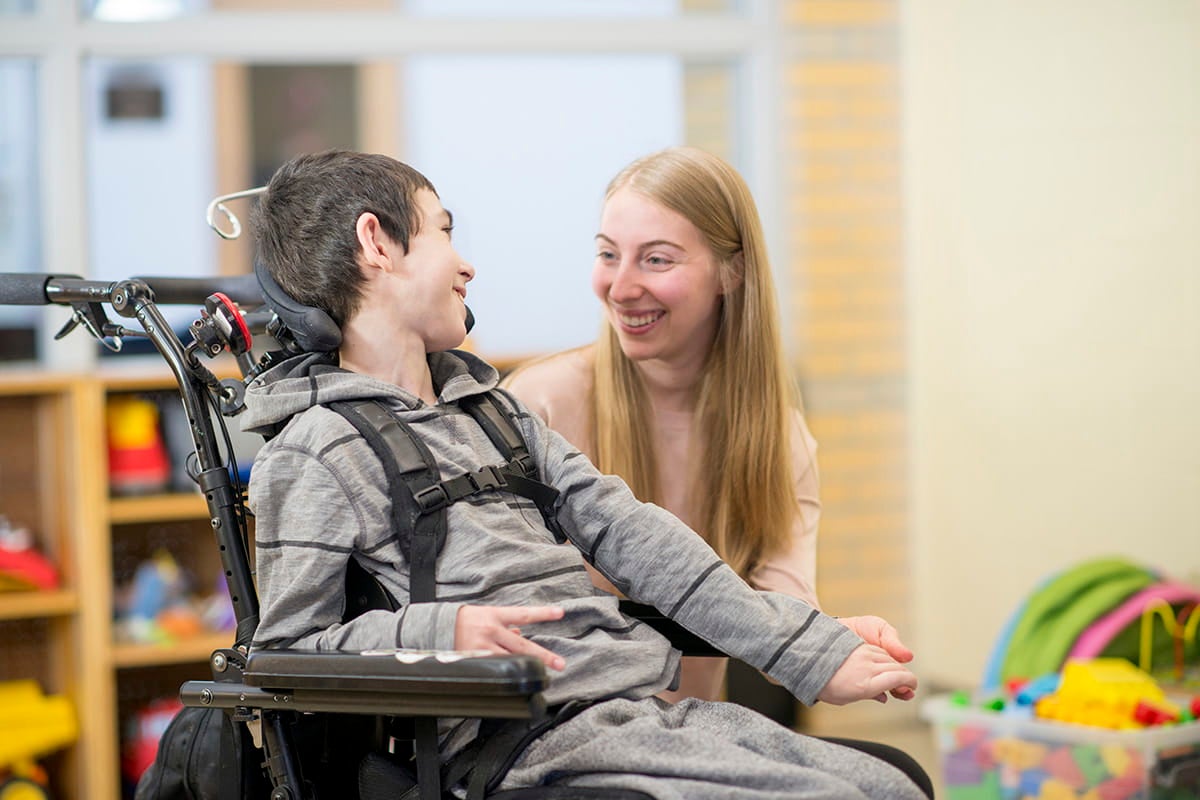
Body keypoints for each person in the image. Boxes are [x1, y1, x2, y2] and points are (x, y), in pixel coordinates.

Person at [241, 149, 929, 799]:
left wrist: (813, 648)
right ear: (378, 244)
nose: (466, 265)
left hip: (623, 707)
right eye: (443, 232)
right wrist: (437, 632)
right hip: (517, 745)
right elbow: (285, 653)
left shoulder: (495, 414)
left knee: (890, 785)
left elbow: (635, 537)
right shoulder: (315, 451)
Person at [503, 146, 837, 705]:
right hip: (556, 732)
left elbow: (786, 625)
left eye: (657, 260)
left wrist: (838, 644)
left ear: (731, 272)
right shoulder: (539, 404)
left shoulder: (778, 435)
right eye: (609, 255)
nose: (622, 286)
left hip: (690, 735)